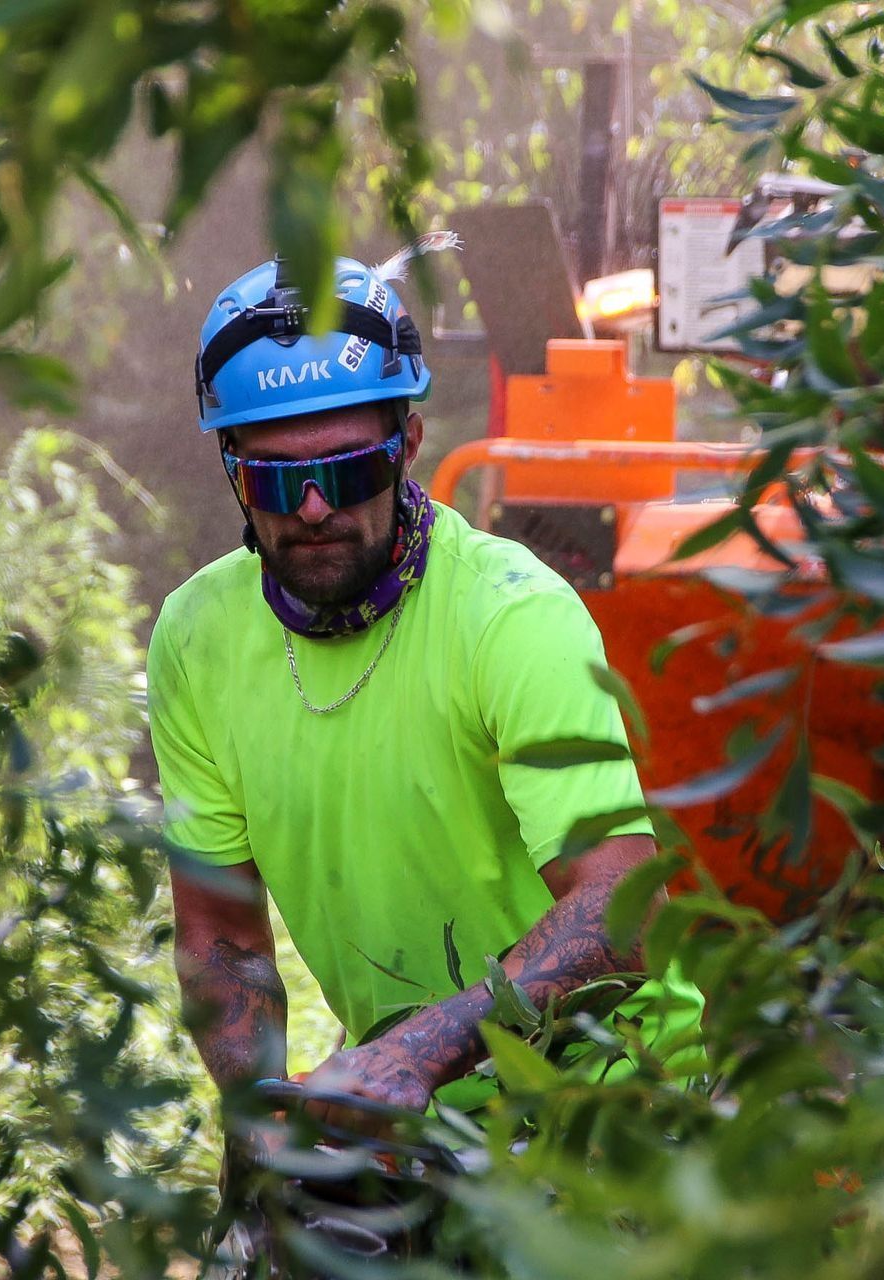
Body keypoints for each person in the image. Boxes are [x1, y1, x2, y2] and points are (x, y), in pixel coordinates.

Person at [146, 248, 699, 1156]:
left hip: (623, 1104)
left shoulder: (511, 617)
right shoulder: (198, 637)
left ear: (408, 446)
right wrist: (261, 1119)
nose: (316, 507)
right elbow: (221, 934)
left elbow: (620, 912)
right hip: (419, 1114)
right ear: (232, 473)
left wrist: (417, 1050)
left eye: (349, 469)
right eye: (278, 480)